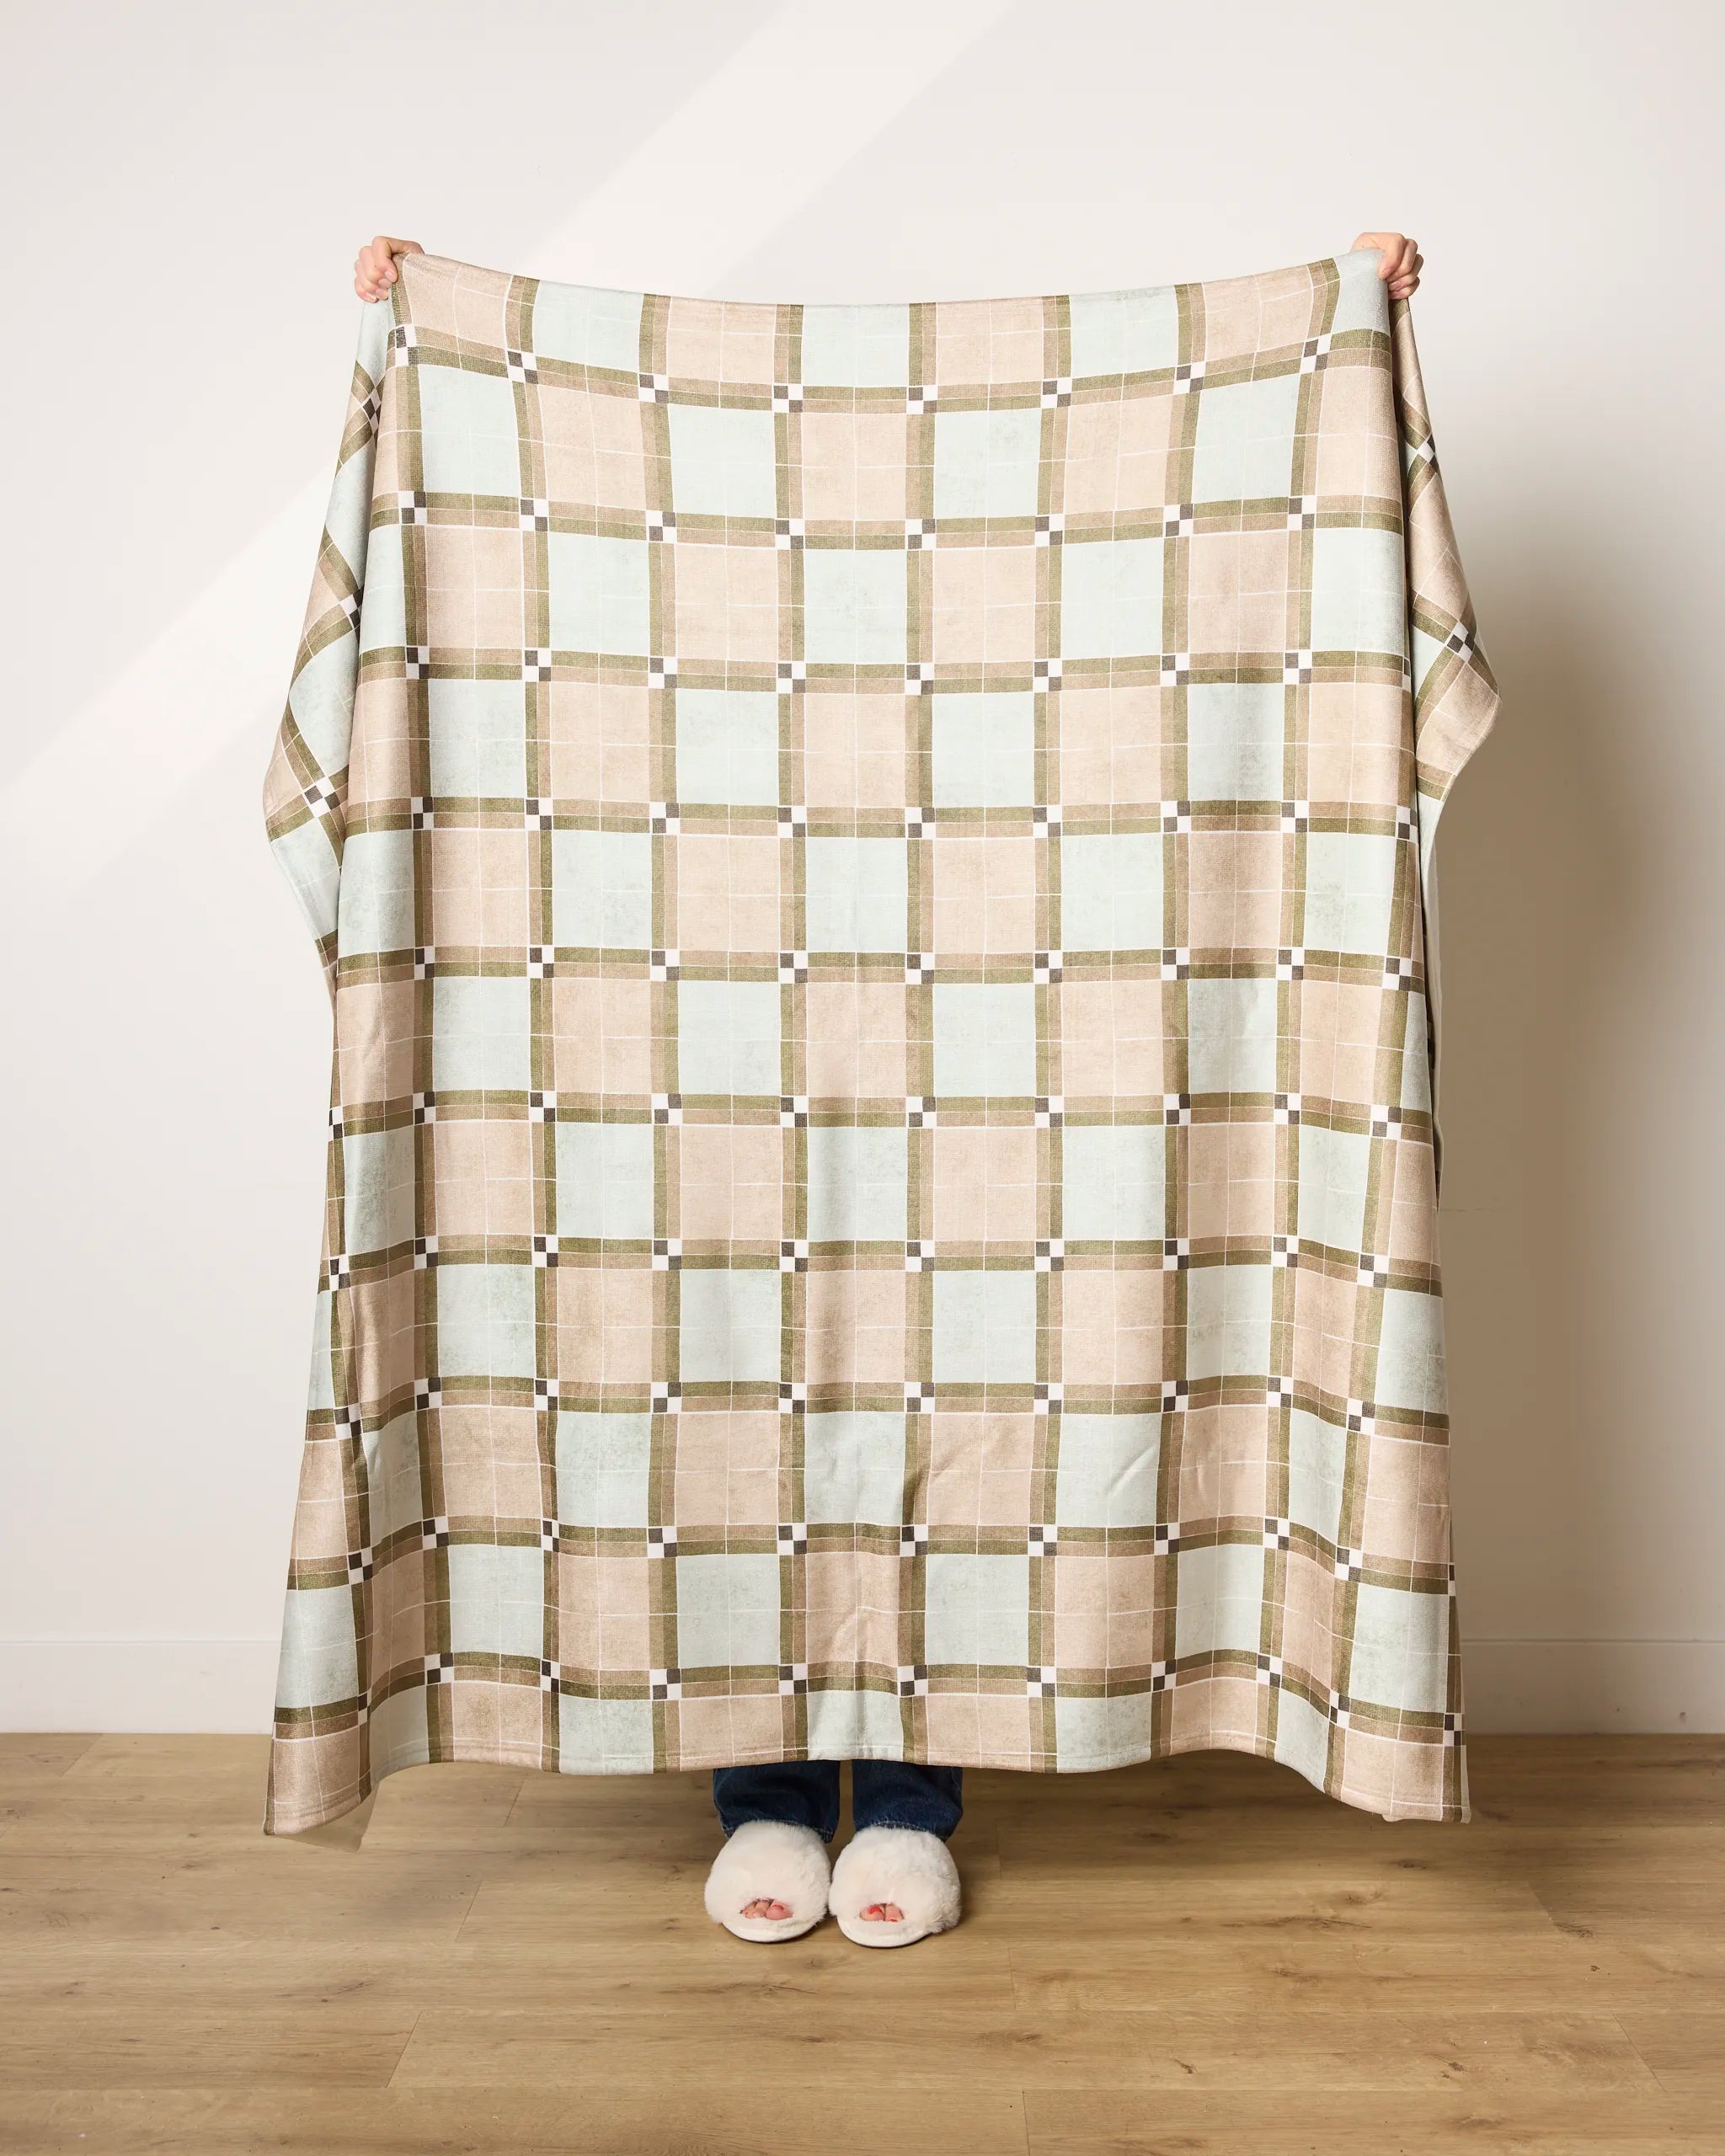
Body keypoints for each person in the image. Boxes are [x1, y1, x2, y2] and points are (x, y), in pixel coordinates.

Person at [347, 226, 1423, 1947]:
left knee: (957, 1364)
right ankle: (763, 1787)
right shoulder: (642, 474)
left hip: (991, 957)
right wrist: (432, 336)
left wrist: (1331, 337)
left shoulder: (1035, 486)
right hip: (694, 952)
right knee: (735, 1364)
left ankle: (913, 1798)